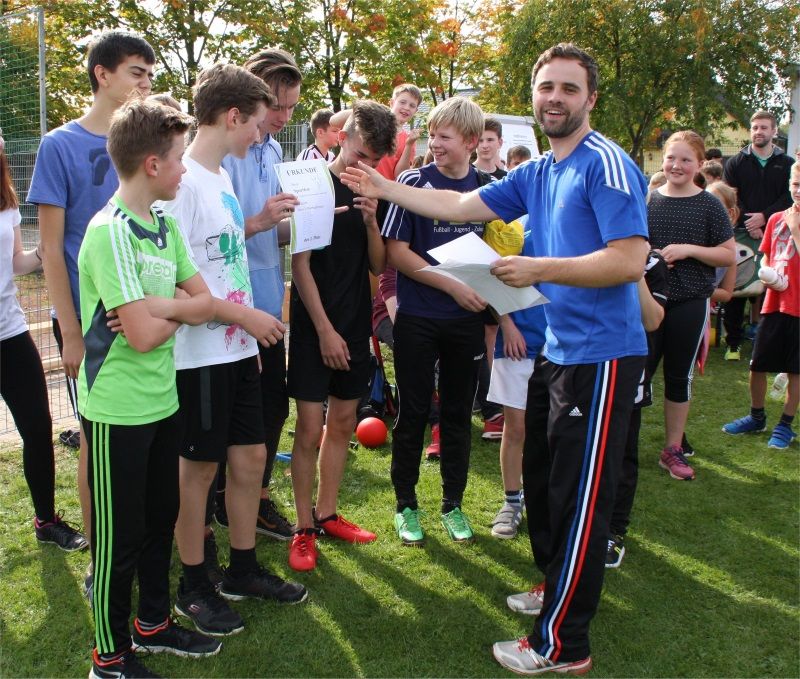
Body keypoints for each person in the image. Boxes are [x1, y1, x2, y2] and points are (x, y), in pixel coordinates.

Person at [343, 42, 650, 675]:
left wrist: (539, 268)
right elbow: (459, 206)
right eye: (546, 88)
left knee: (580, 497)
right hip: (556, 348)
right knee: (545, 482)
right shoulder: (539, 171)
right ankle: (554, 586)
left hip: (601, 356)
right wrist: (381, 185)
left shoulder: (606, 162)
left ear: (590, 98)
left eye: (569, 88)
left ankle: (562, 644)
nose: (555, 99)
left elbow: (628, 259)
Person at [165, 63, 307, 639]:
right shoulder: (180, 185)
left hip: (238, 349)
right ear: (231, 116)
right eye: (256, 121)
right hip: (197, 356)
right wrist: (244, 317)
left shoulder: (222, 176)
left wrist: (247, 331)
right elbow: (172, 285)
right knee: (199, 470)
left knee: (249, 460)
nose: (261, 132)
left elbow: (225, 259)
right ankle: (194, 583)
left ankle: (242, 569)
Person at [79, 98, 220, 678]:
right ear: (152, 165)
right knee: (120, 540)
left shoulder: (163, 225)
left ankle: (153, 625)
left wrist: (163, 307)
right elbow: (138, 337)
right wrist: (178, 310)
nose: (185, 168)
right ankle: (109, 658)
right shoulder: (109, 233)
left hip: (164, 402)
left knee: (162, 519)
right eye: (179, 158)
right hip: (117, 411)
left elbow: (205, 300)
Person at [27, 30, 156, 596]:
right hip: (94, 326)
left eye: (149, 74)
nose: (145, 83)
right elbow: (51, 249)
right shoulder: (59, 145)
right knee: (96, 441)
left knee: (148, 439)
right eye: (135, 72)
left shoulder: (149, 140)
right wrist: (73, 333)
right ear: (102, 74)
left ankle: (146, 550)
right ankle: (102, 559)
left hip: (147, 315)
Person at [287, 100, 396, 572]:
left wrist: (371, 221)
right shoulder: (313, 184)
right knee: (310, 429)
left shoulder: (373, 190)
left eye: (375, 159)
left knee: (345, 422)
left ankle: (328, 514)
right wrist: (325, 331)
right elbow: (300, 266)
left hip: (354, 324)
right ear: (342, 137)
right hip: (315, 327)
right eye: (361, 154)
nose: (365, 165)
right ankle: (303, 526)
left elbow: (377, 263)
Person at [378, 95, 491, 548]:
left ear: (470, 141)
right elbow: (396, 252)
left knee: (459, 415)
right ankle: (406, 505)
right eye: (432, 135)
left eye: (444, 137)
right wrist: (451, 286)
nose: (435, 144)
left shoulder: (487, 187)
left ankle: (453, 505)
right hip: (419, 317)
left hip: (466, 322)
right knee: (413, 413)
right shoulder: (413, 182)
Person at [220, 48, 304, 542]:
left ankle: (253, 498)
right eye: (277, 105)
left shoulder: (271, 152)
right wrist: (260, 221)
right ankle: (232, 503)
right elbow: (214, 238)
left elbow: (274, 230)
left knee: (273, 407)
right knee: (238, 417)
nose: (284, 117)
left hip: (268, 304)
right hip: (233, 311)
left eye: (292, 107)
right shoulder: (224, 155)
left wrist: (312, 223)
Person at [0, 132, 87, 552]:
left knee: (37, 427)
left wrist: (48, 250)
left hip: (10, 333)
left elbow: (17, 263)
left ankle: (46, 520)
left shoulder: (7, 204)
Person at [647, 131, 735, 480]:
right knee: (637, 373)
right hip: (649, 301)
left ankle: (672, 449)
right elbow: (633, 246)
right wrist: (653, 257)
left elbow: (728, 254)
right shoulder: (650, 200)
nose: (676, 165)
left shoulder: (709, 204)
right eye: (671, 158)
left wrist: (688, 250)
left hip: (690, 302)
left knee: (678, 376)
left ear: (700, 164)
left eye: (686, 160)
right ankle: (620, 443)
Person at [722, 163, 800, 448]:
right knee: (758, 364)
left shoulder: (790, 221)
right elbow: (765, 255)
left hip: (798, 308)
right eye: (796, 184)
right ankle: (757, 417)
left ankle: (785, 425)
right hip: (774, 304)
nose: (799, 190)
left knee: (796, 370)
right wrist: (768, 274)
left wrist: (795, 228)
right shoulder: (777, 218)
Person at [604, 251, 668, 567]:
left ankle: (613, 531)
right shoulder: (586, 250)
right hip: (584, 364)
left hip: (628, 369)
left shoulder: (652, 263)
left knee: (621, 452)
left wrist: (634, 270)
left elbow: (652, 319)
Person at [486, 215, 546, 539]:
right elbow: (491, 277)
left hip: (564, 344)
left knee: (557, 431)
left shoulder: (575, 219)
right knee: (517, 427)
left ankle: (550, 500)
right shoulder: (517, 224)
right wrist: (507, 325)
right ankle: (511, 502)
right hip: (519, 341)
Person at [722, 111, 795, 360]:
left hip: (776, 234)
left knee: (769, 288)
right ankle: (733, 343)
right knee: (736, 288)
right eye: (754, 127)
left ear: (774, 131)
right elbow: (730, 196)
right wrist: (750, 221)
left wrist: (764, 217)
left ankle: (763, 343)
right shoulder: (735, 162)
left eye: (764, 128)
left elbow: (788, 197)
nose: (758, 132)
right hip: (741, 234)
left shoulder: (786, 163)